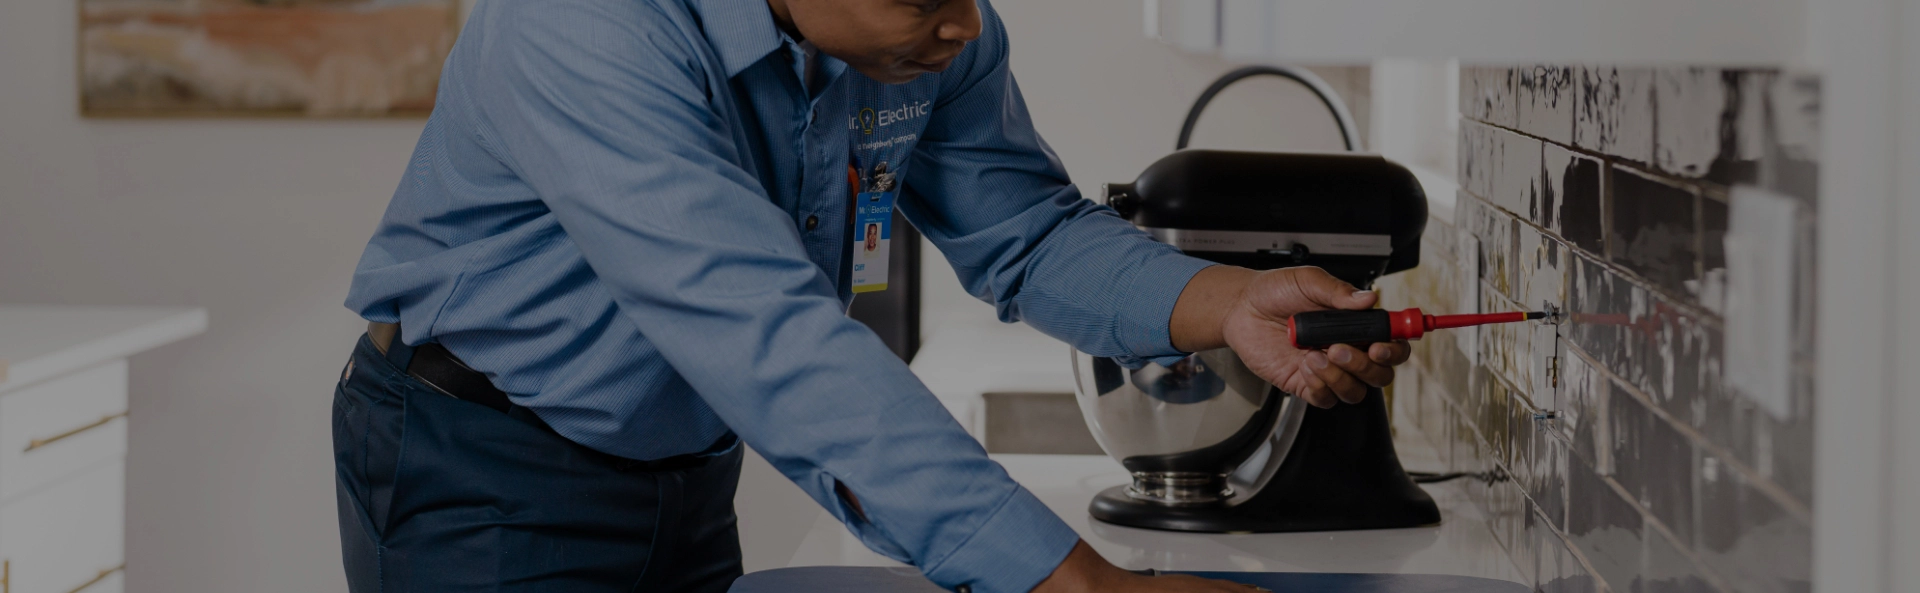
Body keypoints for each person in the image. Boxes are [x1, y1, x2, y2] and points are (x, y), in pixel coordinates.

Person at [334, 0, 1412, 592]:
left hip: (682, 467)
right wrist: (1075, 585)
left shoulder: (928, 31)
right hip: (479, 459)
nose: (963, 25)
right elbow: (771, 339)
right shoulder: (583, 27)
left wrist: (1227, 303)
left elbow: (1027, 233)